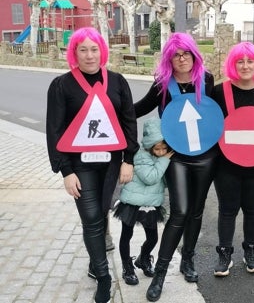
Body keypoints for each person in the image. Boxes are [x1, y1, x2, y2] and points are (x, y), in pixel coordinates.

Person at [46, 27, 139, 303]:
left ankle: (94, 259)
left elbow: (128, 121)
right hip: (80, 165)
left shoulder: (118, 81)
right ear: (74, 53)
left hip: (111, 164)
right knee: (91, 220)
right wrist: (65, 171)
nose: (89, 55)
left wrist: (129, 160)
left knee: (101, 213)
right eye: (83, 49)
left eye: (94, 48)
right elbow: (55, 130)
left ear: (102, 51)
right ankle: (104, 276)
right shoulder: (62, 85)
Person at [135, 32, 223, 302]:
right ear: (169, 59)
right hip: (177, 158)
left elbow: (218, 114)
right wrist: (108, 108)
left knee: (196, 212)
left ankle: (188, 260)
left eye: (186, 53)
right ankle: (161, 273)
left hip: (206, 156)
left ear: (194, 55)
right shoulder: (162, 85)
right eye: (176, 54)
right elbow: (136, 109)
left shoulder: (205, 80)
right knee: (180, 212)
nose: (182, 58)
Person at [211, 42, 254, 277]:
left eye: (250, 61)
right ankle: (224, 253)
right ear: (233, 64)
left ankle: (250, 250)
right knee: (227, 210)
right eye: (239, 61)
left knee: (253, 210)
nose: (245, 65)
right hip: (226, 165)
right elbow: (210, 127)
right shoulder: (220, 92)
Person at [113, 117, 173, 286]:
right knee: (127, 235)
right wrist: (165, 160)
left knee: (153, 237)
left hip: (151, 203)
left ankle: (144, 258)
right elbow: (150, 177)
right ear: (149, 145)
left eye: (164, 148)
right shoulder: (140, 155)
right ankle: (127, 267)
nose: (161, 152)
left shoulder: (161, 158)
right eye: (157, 148)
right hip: (132, 202)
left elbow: (164, 181)